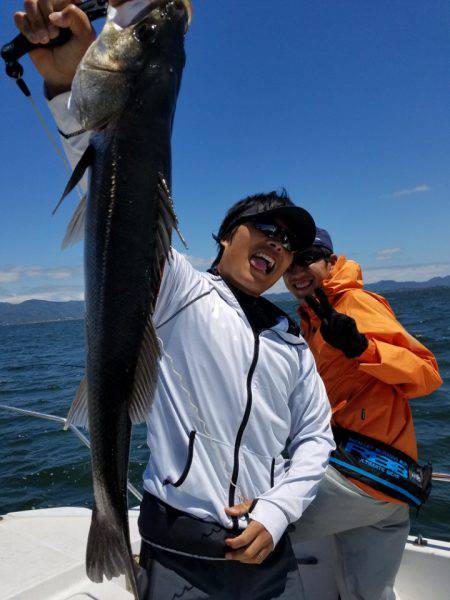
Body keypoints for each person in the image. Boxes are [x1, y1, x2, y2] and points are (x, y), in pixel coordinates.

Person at [14, 2, 335, 598]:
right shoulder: (181, 292)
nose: (276, 242)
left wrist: (277, 511)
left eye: (289, 241)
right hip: (179, 553)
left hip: (268, 553)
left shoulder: (292, 342)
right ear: (224, 236)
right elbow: (117, 186)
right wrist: (65, 81)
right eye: (262, 225)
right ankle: (107, 515)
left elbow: (317, 438)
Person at [283, 228, 443, 600]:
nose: (296, 271)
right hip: (392, 485)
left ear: (330, 260)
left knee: (257, 531)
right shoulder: (314, 311)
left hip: (359, 479)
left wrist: (362, 348)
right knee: (368, 594)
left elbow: (427, 373)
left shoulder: (353, 302)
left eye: (307, 258)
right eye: (290, 263)